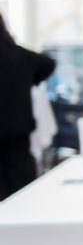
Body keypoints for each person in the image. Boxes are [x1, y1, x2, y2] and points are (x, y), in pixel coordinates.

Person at [0, 12, 56, 200]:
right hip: (19, 137)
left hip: (16, 137)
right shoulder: (19, 56)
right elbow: (48, 63)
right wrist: (30, 80)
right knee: (22, 199)